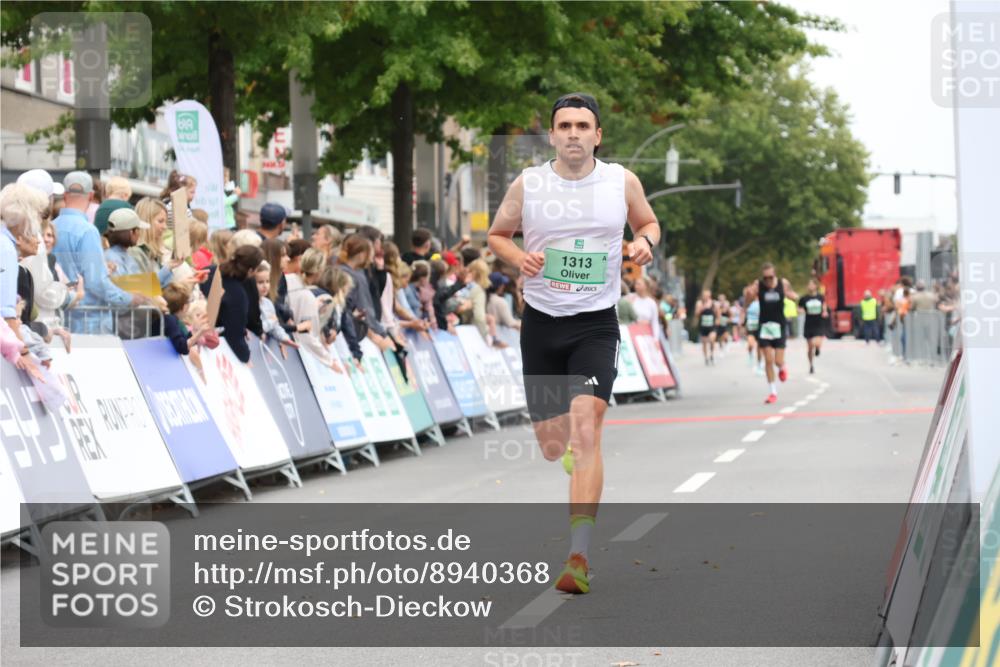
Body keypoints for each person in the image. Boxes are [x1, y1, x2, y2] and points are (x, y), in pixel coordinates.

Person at [487, 92, 659, 595]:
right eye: (565, 126)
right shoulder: (530, 184)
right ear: (553, 135)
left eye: (584, 125)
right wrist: (518, 258)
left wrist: (644, 242)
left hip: (595, 325)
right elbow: (498, 235)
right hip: (541, 323)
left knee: (587, 429)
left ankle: (578, 556)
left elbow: (647, 222)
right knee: (553, 445)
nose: (574, 133)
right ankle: (563, 446)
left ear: (597, 135)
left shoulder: (621, 181)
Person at [50, 172, 155, 334]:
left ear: (65, 195)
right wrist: (128, 299)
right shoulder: (87, 231)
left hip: (60, 316)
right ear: (91, 196)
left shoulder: (51, 227)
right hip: (90, 320)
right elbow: (96, 282)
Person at [201, 245, 263, 363]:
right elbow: (234, 335)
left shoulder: (210, 270)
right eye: (256, 269)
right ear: (250, 270)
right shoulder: (238, 296)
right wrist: (246, 356)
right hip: (204, 341)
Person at [754, 262, 798, 404]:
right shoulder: (758, 285)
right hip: (765, 326)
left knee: (778, 361)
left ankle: (782, 367)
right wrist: (748, 295)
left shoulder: (782, 283)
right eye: (765, 278)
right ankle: (772, 391)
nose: (768, 281)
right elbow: (748, 299)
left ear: (774, 274)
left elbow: (794, 295)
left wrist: (790, 295)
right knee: (768, 360)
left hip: (779, 326)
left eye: (770, 277)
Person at [131, 197, 184, 288]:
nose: (165, 227)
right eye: (160, 221)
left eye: (165, 222)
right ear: (146, 221)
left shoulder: (154, 252)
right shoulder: (135, 253)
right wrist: (167, 268)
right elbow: (143, 288)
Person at [255, 261, 297, 348]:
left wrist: (285, 338)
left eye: (267, 281)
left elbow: (275, 327)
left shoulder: (268, 303)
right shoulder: (249, 305)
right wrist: (272, 321)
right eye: (260, 282)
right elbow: (257, 329)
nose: (265, 286)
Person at [798, 279, 828, 374]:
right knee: (810, 347)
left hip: (818, 323)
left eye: (812, 284)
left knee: (817, 343)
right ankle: (811, 365)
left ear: (815, 286)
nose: (810, 286)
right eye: (809, 284)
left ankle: (818, 349)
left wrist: (824, 311)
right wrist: (801, 311)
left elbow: (824, 306)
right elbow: (799, 308)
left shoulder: (820, 297)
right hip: (809, 324)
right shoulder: (804, 298)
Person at [694, 289, 719, 365]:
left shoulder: (714, 303)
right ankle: (706, 358)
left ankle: (711, 354)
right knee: (704, 343)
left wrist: (717, 320)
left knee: (712, 340)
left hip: (712, 326)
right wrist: (702, 308)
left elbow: (718, 314)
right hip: (703, 326)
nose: (706, 297)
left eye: (707, 296)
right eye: (705, 296)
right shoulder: (699, 303)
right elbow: (696, 314)